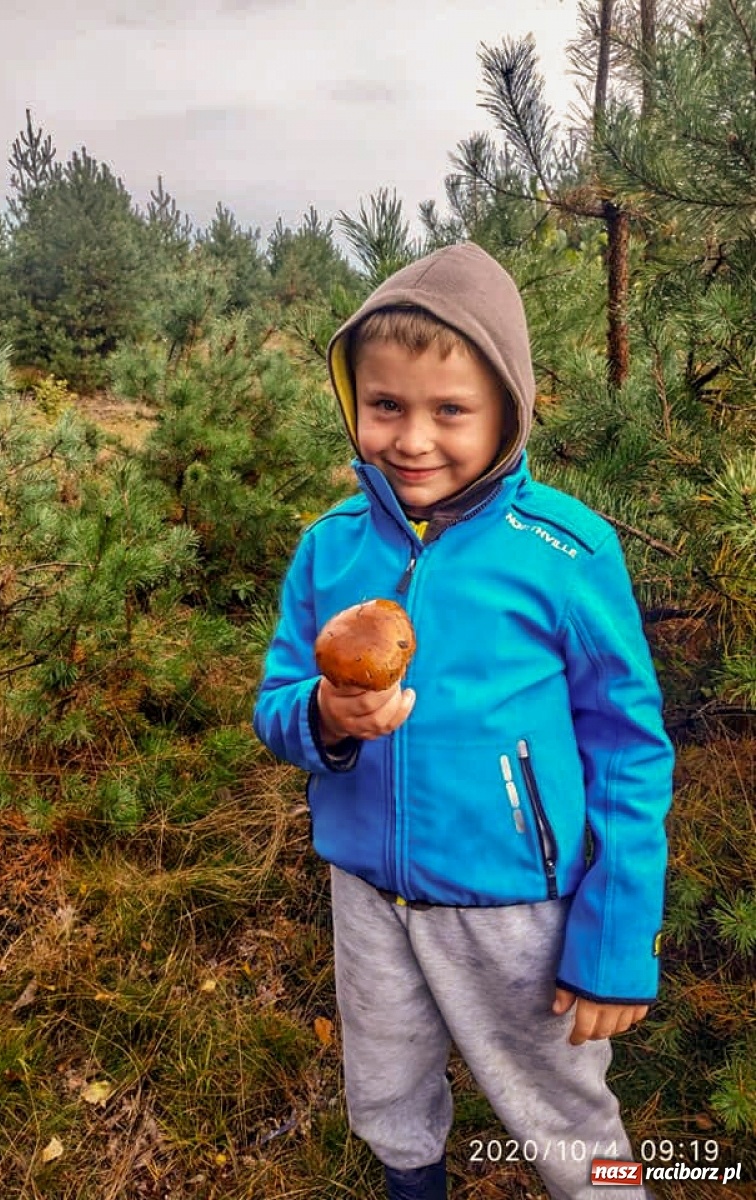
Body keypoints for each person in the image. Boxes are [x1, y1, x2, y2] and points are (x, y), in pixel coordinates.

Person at [252, 243, 674, 1200]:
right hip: (367, 891)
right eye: (386, 406)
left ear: (508, 413)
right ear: (352, 400)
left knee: (561, 1110)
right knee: (389, 1087)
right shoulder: (328, 552)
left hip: (514, 904)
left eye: (451, 411)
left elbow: (629, 751)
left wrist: (616, 938)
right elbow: (275, 708)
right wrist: (325, 715)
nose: (412, 439)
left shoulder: (564, 553)